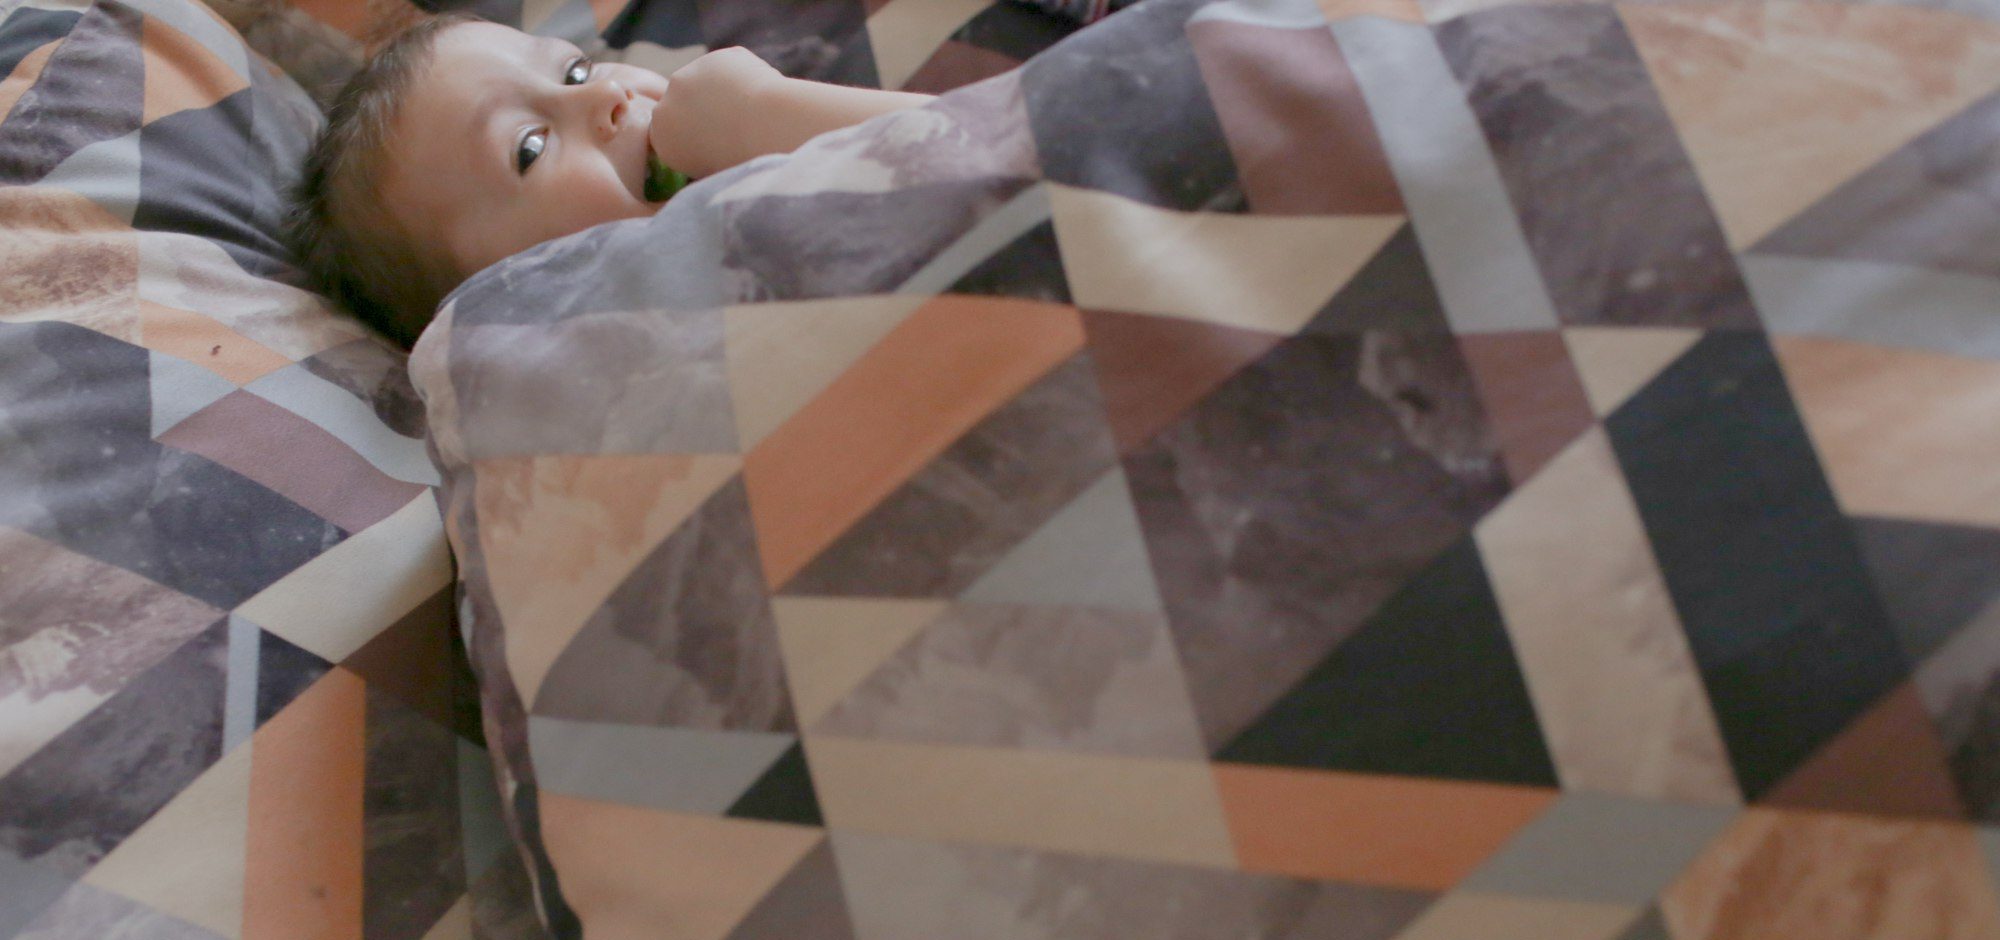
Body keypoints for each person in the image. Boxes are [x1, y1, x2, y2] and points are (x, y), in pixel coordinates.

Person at [287, 13, 934, 347]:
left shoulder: (795, 170)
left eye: (575, 71)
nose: (605, 95)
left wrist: (773, 116)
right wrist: (770, 115)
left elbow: (981, 144)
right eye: (530, 147)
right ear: (497, 304)